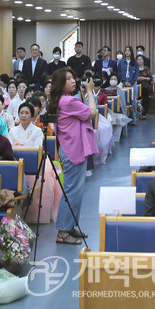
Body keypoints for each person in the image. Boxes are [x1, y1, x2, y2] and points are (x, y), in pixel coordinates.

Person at [47, 67, 98, 244]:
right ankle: (62, 231)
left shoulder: (63, 100)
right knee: (71, 191)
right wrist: (90, 92)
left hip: (71, 147)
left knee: (75, 191)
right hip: (73, 149)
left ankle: (70, 225)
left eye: (73, 77)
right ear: (60, 84)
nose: (73, 81)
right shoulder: (68, 101)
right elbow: (92, 113)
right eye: (68, 79)